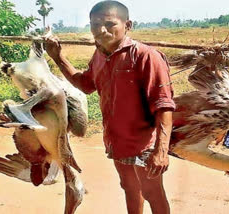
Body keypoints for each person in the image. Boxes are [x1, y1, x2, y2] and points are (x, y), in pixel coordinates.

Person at [45, 1, 175, 213]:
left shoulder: (145, 56)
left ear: (128, 25)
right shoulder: (99, 56)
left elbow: (163, 105)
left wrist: (161, 150)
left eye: (109, 23)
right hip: (118, 140)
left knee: (152, 192)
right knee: (130, 188)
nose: (101, 30)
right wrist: (58, 57)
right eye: (95, 24)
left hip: (144, 142)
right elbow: (85, 84)